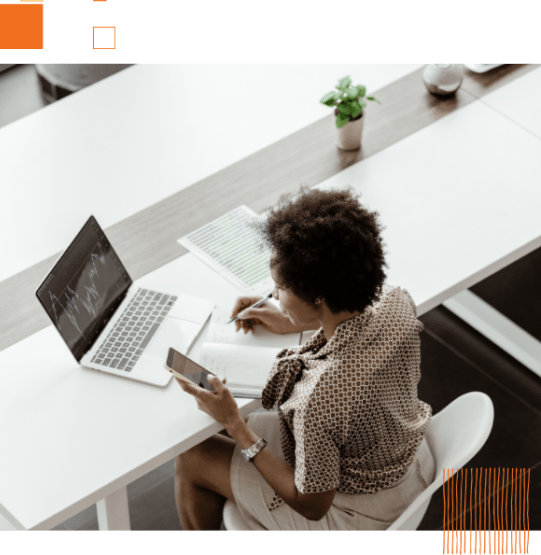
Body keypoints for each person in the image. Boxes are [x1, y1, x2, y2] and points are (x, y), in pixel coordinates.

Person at [173, 185, 435, 531]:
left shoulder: (318, 399)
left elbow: (311, 504)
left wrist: (235, 422)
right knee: (216, 433)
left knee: (193, 457)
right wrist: (290, 318)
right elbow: (354, 329)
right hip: (410, 464)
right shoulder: (396, 302)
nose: (275, 295)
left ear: (317, 297)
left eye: (281, 287)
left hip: (358, 513)